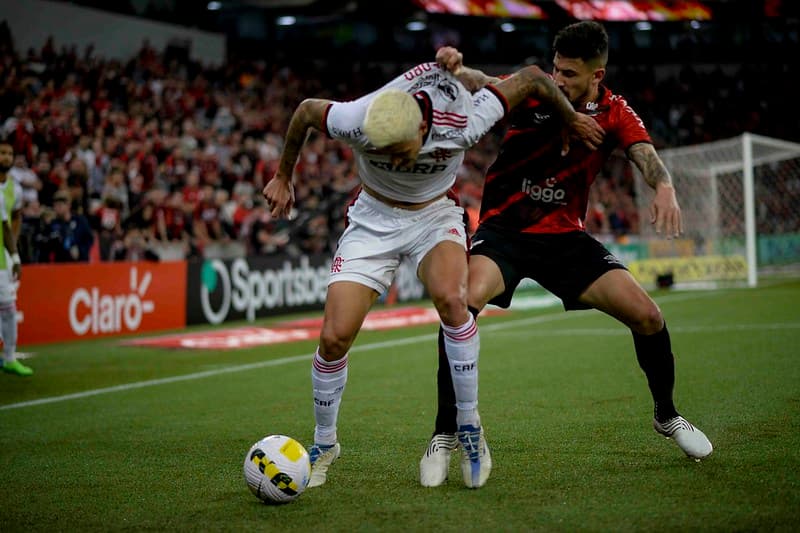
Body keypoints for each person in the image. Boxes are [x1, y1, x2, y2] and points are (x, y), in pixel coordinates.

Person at [263, 58, 604, 489]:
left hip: (434, 216)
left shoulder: (464, 119)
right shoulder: (356, 118)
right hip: (372, 219)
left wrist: (569, 117)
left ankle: (469, 426)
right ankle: (325, 443)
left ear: (424, 128)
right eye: (383, 151)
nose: (394, 160)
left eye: (400, 151)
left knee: (454, 302)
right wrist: (283, 175)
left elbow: (534, 77)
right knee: (333, 338)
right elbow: (306, 111)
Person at [420, 21, 712, 487]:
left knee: (648, 316)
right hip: (505, 233)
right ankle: (444, 432)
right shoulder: (535, 93)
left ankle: (667, 414)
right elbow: (485, 83)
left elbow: (644, 153)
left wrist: (665, 187)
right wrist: (457, 71)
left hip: (565, 240)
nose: (558, 79)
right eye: (556, 69)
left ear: (597, 75)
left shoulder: (614, 111)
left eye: (570, 74)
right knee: (461, 306)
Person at [0, 141, 30, 376]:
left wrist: (13, 254)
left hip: (2, 256)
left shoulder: (14, 189)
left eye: (10, 153)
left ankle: (9, 358)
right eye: (2, 153)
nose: (6, 157)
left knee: (8, 307)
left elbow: (10, 222)